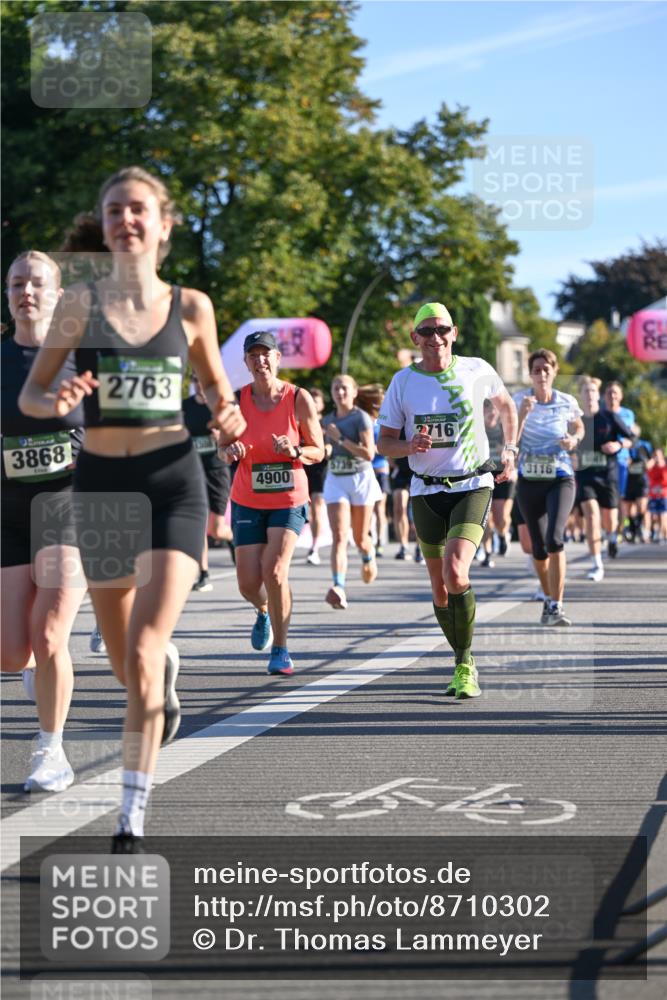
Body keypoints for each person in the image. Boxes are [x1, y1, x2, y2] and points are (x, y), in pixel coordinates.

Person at [20, 166, 245, 851]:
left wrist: (227, 417)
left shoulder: (192, 308)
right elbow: (32, 395)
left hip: (171, 480)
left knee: (144, 650)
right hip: (100, 489)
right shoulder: (79, 307)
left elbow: (217, 390)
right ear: (105, 223)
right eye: (115, 210)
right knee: (125, 661)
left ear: (163, 223)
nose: (126, 220)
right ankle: (160, 676)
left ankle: (130, 817)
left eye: (138, 209)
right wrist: (54, 403)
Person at [378, 302, 518, 699]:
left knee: (457, 572)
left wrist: (510, 449)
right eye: (426, 331)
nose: (435, 337)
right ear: (415, 339)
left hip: (472, 485)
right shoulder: (403, 382)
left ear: (453, 333)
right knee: (440, 589)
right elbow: (383, 443)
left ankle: (464, 662)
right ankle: (461, 658)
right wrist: (408, 445)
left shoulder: (477, 370)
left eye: (442, 329)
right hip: (425, 490)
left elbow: (506, 406)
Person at [1, 250, 87, 792]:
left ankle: (51, 750)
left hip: (69, 508)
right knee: (12, 650)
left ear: (58, 296)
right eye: (15, 284)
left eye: (36, 283)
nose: (25, 291)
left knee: (51, 632)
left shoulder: (83, 359)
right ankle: (34, 668)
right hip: (7, 513)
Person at [222, 331, 324, 674]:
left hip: (288, 497)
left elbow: (319, 449)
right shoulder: (237, 401)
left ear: (278, 358)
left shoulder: (298, 398)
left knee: (275, 570)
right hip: (248, 498)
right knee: (248, 583)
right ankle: (263, 610)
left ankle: (281, 649)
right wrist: (230, 451)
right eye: (254, 355)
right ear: (247, 363)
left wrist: (295, 450)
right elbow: (223, 448)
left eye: (267, 354)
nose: (260, 360)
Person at [514, 349, 584, 625]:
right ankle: (547, 598)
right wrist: (521, 415)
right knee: (539, 549)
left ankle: (556, 604)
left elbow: (579, 427)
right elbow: (512, 441)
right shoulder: (520, 400)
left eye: (546, 369)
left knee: (555, 539)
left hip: (560, 477)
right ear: (530, 374)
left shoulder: (566, 401)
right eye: (536, 370)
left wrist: (574, 440)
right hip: (530, 481)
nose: (541, 374)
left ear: (554, 372)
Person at [322, 374, 382, 609]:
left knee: (359, 539)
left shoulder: (361, 418)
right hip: (336, 478)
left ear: (355, 392)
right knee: (339, 536)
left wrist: (341, 439)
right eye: (336, 388)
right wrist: (327, 447)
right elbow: (326, 445)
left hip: (360, 478)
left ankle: (368, 555)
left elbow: (369, 454)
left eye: (345, 388)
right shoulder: (327, 420)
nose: (340, 392)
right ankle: (338, 587)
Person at [576, 377, 635, 581]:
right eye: (586, 391)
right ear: (581, 396)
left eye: (593, 391)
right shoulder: (575, 420)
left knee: (610, 520)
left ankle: (611, 537)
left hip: (607, 474)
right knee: (592, 516)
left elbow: (631, 438)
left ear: (597, 395)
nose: (590, 394)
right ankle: (596, 563)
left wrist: (619, 445)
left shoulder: (609, 417)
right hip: (585, 475)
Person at [184, 374, 233, 591]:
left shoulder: (220, 406)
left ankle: (232, 539)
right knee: (199, 524)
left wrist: (221, 435)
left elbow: (235, 435)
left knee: (217, 530)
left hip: (217, 469)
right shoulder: (183, 407)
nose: (199, 385)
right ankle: (203, 573)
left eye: (202, 380)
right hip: (193, 470)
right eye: (196, 380)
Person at [602, 381, 636, 556]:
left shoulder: (627, 414)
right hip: (601, 463)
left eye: (615, 393)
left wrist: (620, 444)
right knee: (604, 503)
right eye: (609, 393)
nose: (612, 396)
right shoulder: (599, 414)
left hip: (621, 462)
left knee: (620, 501)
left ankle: (617, 532)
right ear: (604, 395)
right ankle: (609, 532)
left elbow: (631, 437)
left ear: (621, 396)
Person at [357, 383, 390, 556]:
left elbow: (387, 444)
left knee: (380, 508)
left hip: (381, 467)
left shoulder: (385, 420)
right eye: (380, 399)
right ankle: (368, 536)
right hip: (365, 468)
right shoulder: (362, 419)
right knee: (367, 507)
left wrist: (377, 449)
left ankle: (379, 543)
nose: (383, 402)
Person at [303, 386, 329, 566]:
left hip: (321, 468)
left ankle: (314, 547)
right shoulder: (301, 421)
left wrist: (327, 449)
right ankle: (313, 541)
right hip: (304, 468)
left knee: (318, 506)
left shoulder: (327, 423)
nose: (313, 402)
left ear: (322, 404)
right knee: (309, 511)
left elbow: (330, 447)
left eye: (316, 400)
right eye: (310, 399)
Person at [623, 434, 652, 542]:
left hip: (641, 481)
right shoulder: (625, 448)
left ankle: (637, 527)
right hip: (629, 481)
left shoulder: (644, 446)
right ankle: (633, 528)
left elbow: (651, 460)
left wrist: (648, 464)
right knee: (629, 509)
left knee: (642, 507)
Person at [647, 448, 667, 542]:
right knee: (655, 516)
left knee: (663, 515)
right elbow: (646, 468)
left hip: (664, 495)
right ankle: (657, 533)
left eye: (658, 455)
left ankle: (663, 535)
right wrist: (653, 461)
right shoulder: (652, 466)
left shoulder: (665, 467)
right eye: (655, 455)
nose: (657, 457)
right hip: (653, 494)